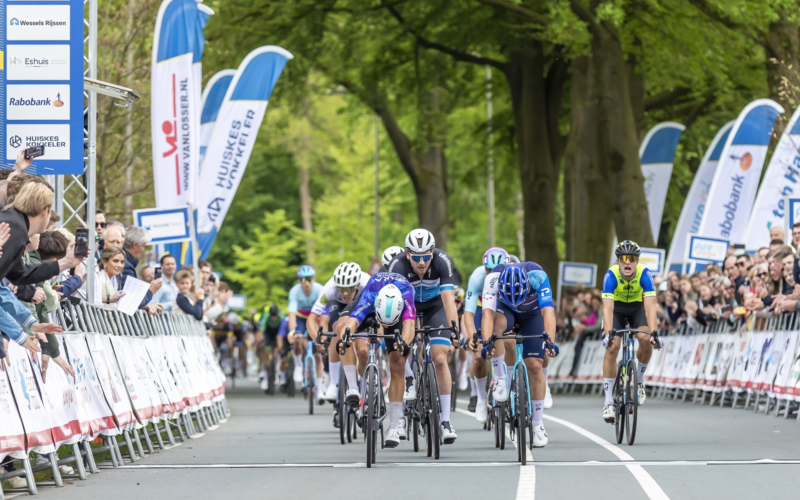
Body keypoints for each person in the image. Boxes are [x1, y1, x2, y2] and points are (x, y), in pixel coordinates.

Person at [387, 228, 460, 443]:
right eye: (416, 257)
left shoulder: (442, 261)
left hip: (434, 308)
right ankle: (397, 419)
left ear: (432, 252)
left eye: (426, 256)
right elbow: (397, 303)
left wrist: (455, 327)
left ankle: (445, 421)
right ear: (407, 254)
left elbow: (448, 298)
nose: (421, 262)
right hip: (405, 306)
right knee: (398, 358)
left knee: (439, 358)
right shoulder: (397, 265)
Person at [480, 258, 559, 448]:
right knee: (496, 327)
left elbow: (548, 312)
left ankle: (538, 424)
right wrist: (487, 343)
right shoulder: (493, 279)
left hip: (532, 314)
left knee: (534, 365)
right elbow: (487, 315)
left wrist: (550, 341)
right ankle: (500, 378)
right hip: (505, 310)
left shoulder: (538, 276)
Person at [335, 272, 417, 448]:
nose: (384, 327)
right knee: (343, 330)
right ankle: (353, 388)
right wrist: (345, 339)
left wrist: (404, 344)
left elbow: (409, 325)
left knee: (398, 362)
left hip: (396, 310)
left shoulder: (407, 294)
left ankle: (394, 426)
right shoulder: (370, 293)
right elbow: (353, 322)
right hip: (371, 304)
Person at [601, 240, 659, 424]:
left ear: (637, 261)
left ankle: (639, 381)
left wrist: (654, 332)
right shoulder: (611, 275)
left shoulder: (645, 274)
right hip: (616, 310)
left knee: (645, 339)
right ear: (618, 261)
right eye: (623, 259)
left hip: (637, 309)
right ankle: (609, 402)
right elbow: (607, 309)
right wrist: (609, 333)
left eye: (632, 259)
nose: (628, 262)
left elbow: (650, 308)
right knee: (612, 347)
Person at [307, 262, 370, 424]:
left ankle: (364, 390)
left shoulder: (367, 282)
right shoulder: (329, 288)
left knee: (362, 350)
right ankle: (335, 384)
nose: (345, 293)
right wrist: (317, 339)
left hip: (363, 305)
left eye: (349, 288)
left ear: (357, 284)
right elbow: (311, 319)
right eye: (341, 288)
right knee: (338, 329)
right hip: (339, 307)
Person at [463, 247, 508, 423]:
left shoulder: (514, 274)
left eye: (497, 270)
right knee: (478, 356)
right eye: (489, 270)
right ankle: (481, 398)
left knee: (510, 343)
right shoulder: (477, 277)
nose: (493, 273)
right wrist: (472, 336)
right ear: (484, 268)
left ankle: (509, 383)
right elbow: (469, 313)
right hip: (483, 308)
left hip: (503, 307)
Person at [286, 265, 324, 390]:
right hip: (301, 317)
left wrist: (323, 331)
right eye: (303, 280)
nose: (306, 283)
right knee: (297, 338)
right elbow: (292, 314)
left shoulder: (320, 289)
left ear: (314, 279)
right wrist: (292, 331)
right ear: (299, 281)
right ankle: (298, 365)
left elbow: (325, 314)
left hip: (315, 317)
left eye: (309, 279)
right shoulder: (294, 291)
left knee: (318, 347)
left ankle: (320, 384)